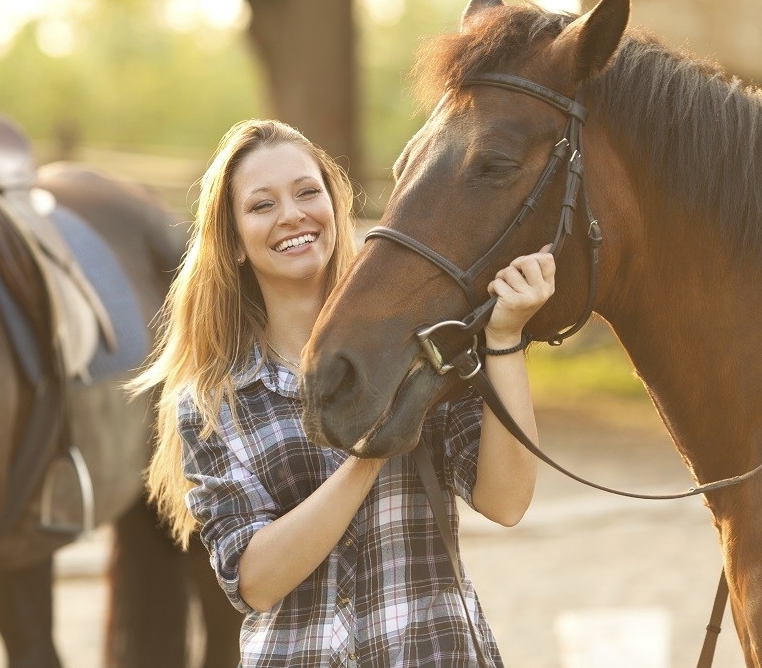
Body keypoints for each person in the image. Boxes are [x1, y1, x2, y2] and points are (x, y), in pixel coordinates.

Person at [132, 119, 553, 666]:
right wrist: (368, 453)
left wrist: (504, 338)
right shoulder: (213, 401)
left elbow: (507, 501)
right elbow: (255, 581)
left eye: (308, 192)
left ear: (335, 207)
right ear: (234, 241)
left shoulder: (420, 340)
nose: (292, 215)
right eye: (262, 206)